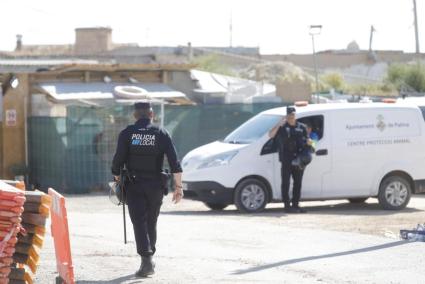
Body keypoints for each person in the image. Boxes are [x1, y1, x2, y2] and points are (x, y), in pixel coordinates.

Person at [111, 102, 183, 278]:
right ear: (151, 114)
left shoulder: (127, 133)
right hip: (156, 186)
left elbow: (117, 162)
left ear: (135, 115)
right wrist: (179, 187)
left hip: (134, 185)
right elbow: (175, 162)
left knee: (139, 221)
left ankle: (146, 261)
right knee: (151, 221)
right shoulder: (161, 133)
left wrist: (117, 178)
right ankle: (149, 257)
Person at [269, 106, 311, 213]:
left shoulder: (302, 127)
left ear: (295, 115)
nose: (291, 117)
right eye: (289, 115)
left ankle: (296, 205)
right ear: (286, 116)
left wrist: (310, 144)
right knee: (285, 183)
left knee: (298, 183)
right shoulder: (282, 127)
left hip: (299, 160)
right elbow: (270, 135)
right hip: (286, 159)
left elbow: (308, 141)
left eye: (293, 114)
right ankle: (287, 206)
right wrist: (279, 124)